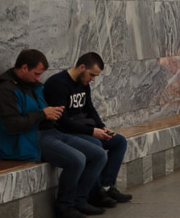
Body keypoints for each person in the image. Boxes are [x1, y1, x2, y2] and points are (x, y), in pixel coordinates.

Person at [0, 49, 109, 218]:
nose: (39, 79)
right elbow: (11, 125)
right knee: (77, 159)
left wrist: (55, 114)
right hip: (26, 140)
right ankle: (65, 205)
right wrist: (43, 114)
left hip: (49, 131)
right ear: (24, 68)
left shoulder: (34, 86)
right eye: (36, 74)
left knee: (98, 154)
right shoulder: (5, 91)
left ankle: (81, 199)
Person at [42, 52, 132, 208]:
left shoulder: (83, 83)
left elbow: (90, 109)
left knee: (119, 141)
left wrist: (101, 127)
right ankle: (94, 192)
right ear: (82, 67)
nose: (92, 79)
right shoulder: (58, 84)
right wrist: (92, 132)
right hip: (66, 131)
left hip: (84, 128)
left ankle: (105, 186)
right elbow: (62, 121)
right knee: (95, 146)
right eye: (91, 75)